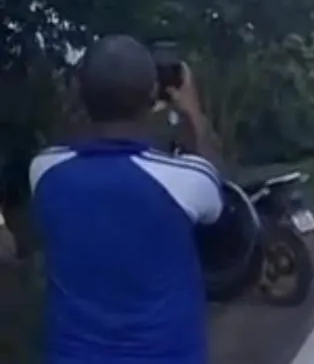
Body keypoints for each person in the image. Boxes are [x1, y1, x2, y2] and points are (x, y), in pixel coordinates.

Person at [30, 35, 224, 364]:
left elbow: (71, 142)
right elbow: (219, 198)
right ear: (153, 94)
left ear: (79, 93)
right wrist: (192, 113)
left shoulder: (44, 171)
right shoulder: (187, 180)